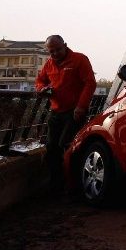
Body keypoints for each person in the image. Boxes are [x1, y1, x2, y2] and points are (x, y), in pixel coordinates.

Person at [35, 35, 96, 192]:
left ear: (65, 46)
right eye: (51, 51)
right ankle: (56, 186)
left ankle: (74, 187)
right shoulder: (48, 64)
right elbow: (40, 81)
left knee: (68, 147)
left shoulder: (79, 59)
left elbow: (90, 83)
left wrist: (81, 107)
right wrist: (41, 89)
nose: (55, 53)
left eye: (58, 50)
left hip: (74, 112)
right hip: (56, 112)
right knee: (51, 148)